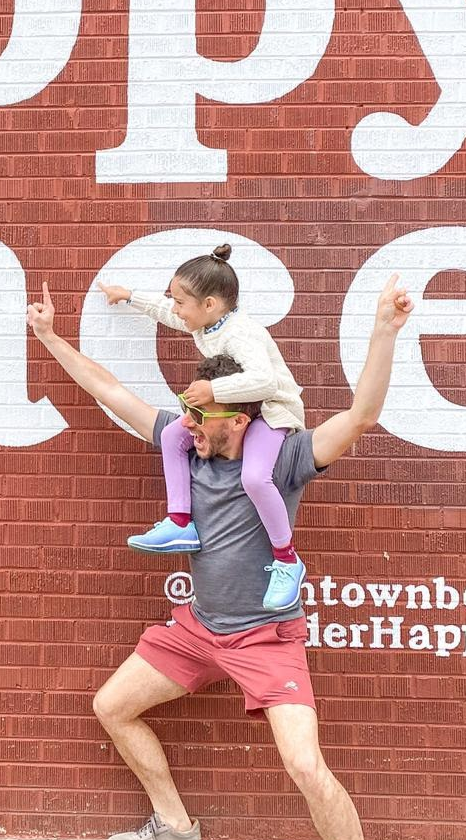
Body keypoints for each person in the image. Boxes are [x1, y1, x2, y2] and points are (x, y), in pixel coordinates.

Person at [27, 276, 412, 840]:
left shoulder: (285, 460)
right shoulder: (190, 449)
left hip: (266, 637)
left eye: (200, 415)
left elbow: (360, 416)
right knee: (113, 706)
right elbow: (109, 390)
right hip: (198, 628)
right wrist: (49, 337)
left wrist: (383, 332)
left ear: (240, 417)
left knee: (305, 766)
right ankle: (175, 826)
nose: (187, 425)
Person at [98, 244, 309, 612]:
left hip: (271, 413)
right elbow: (165, 312)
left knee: (255, 478)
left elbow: (266, 382)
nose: (176, 309)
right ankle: (181, 521)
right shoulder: (208, 322)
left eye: (181, 302)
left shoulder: (239, 334)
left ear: (209, 304)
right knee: (171, 435)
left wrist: (213, 390)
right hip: (234, 410)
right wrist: (129, 296)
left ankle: (287, 559)